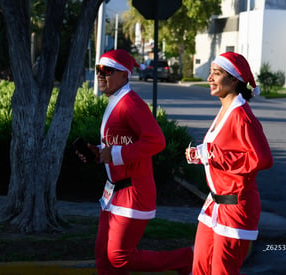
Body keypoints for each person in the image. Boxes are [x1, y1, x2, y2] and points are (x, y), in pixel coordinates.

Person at [77, 49, 193, 275]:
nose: (100, 75)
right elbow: (123, 143)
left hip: (133, 192)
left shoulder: (130, 103)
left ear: (124, 75)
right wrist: (99, 152)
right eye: (99, 70)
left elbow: (156, 141)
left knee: (119, 256)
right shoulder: (116, 100)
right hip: (113, 191)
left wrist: (116, 154)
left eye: (107, 70)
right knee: (103, 256)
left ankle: (186, 258)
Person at [185, 52, 273, 275]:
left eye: (216, 73)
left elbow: (262, 159)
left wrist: (213, 155)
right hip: (214, 203)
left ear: (234, 79)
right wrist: (200, 154)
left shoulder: (242, 116)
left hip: (236, 206)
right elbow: (223, 151)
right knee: (200, 268)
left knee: (222, 271)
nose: (210, 78)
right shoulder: (226, 109)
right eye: (211, 73)